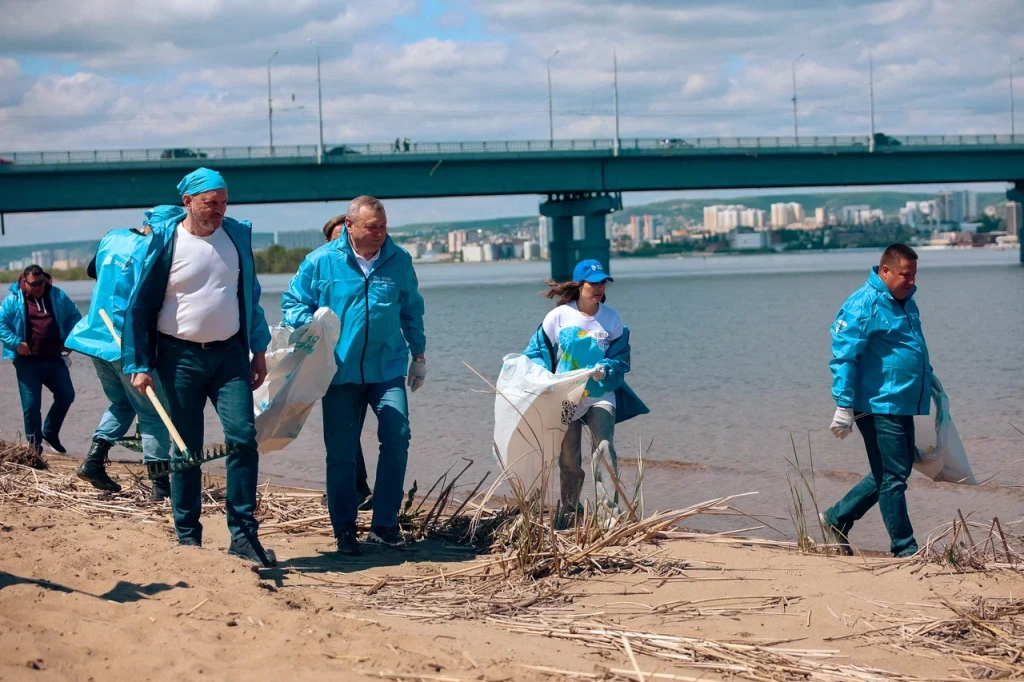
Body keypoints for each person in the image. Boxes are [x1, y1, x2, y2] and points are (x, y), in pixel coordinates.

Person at [121, 167, 276, 567]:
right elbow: (136, 305)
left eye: (224, 202)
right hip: (179, 358)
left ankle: (242, 535)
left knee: (243, 438)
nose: (220, 209)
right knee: (186, 448)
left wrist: (258, 350)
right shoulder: (164, 242)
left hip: (230, 356)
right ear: (187, 202)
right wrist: (139, 363)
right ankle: (188, 536)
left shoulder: (236, 236)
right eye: (211, 202)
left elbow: (250, 297)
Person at [283, 196, 426, 555]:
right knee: (342, 453)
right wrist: (312, 324)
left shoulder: (399, 260)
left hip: (387, 368)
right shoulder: (321, 261)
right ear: (350, 226)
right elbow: (293, 303)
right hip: (338, 371)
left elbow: (411, 309)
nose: (379, 234)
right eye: (371, 227)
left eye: (383, 227)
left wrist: (419, 353)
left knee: (398, 436)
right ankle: (345, 528)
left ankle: (385, 524)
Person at [821, 243, 941, 558]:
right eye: (905, 274)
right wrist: (844, 405)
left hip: (901, 401)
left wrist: (929, 379)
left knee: (894, 471)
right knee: (894, 475)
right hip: (876, 404)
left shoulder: (906, 301)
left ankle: (838, 517)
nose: (912, 281)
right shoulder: (864, 303)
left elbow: (911, 346)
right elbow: (844, 356)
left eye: (914, 274)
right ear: (885, 271)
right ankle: (905, 549)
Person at [523, 259, 648, 519]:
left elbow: (622, 357)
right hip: (566, 395)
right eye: (593, 283)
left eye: (603, 282)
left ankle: (608, 516)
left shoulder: (612, 319)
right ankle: (570, 510)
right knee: (568, 457)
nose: (599, 288)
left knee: (603, 448)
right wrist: (544, 378)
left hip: (600, 394)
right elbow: (536, 351)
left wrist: (608, 367)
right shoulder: (559, 316)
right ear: (580, 285)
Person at [65, 223, 173, 498]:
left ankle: (93, 460)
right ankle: (161, 486)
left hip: (96, 337)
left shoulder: (113, 237)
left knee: (122, 403)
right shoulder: (153, 248)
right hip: (125, 342)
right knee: (152, 411)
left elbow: (93, 270)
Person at [321, 215, 373, 510]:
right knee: (342, 429)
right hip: (327, 360)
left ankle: (355, 487)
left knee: (349, 428)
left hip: (363, 363)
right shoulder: (322, 268)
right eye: (335, 238)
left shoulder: (364, 272)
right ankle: (350, 487)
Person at [0, 265, 81, 454]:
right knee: (31, 406)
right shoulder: (14, 299)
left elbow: (74, 316)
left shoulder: (57, 295)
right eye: (34, 284)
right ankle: (34, 449)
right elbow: (1, 323)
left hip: (54, 359)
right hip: (28, 362)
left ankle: (50, 433)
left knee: (66, 395)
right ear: (24, 282)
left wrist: (70, 340)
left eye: (41, 283)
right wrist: (16, 343)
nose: (38, 287)